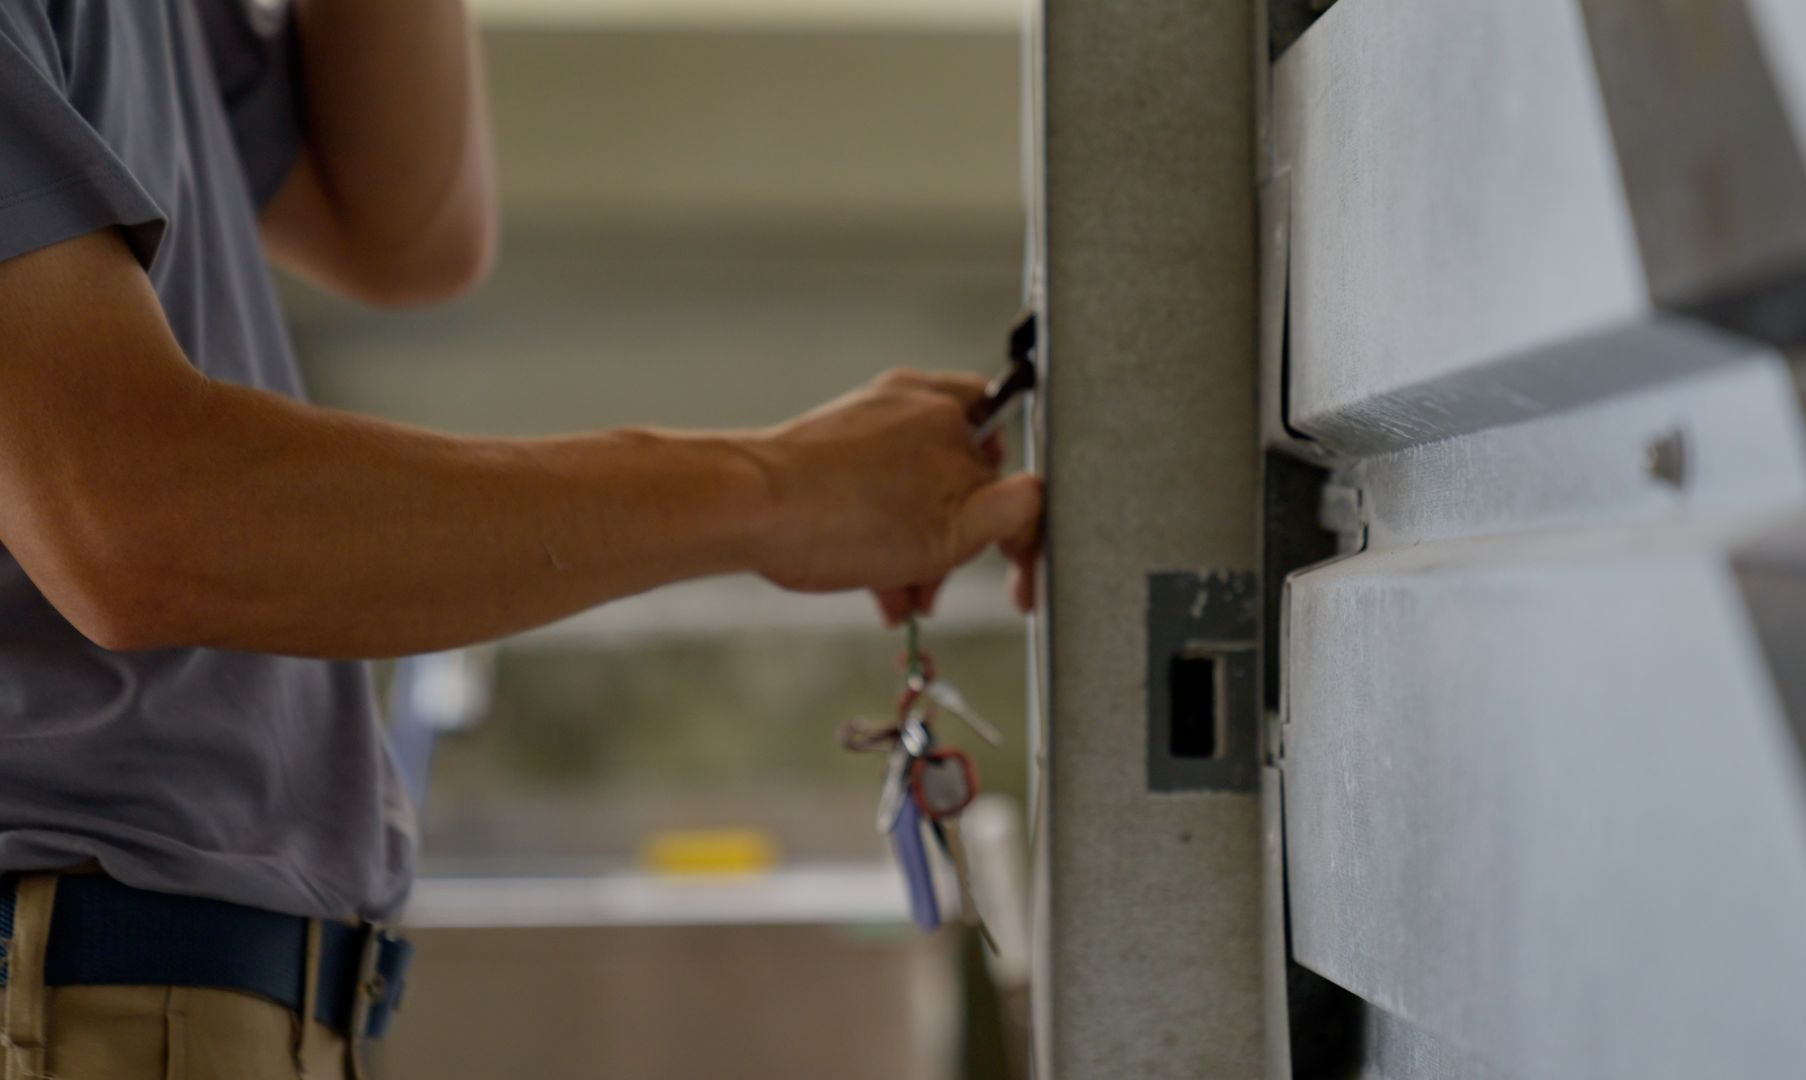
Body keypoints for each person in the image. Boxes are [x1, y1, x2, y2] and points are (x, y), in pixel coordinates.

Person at [0, 2, 1044, 1077]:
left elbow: (404, 228)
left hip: (195, 982)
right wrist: (771, 490)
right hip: (68, 985)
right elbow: (132, 516)